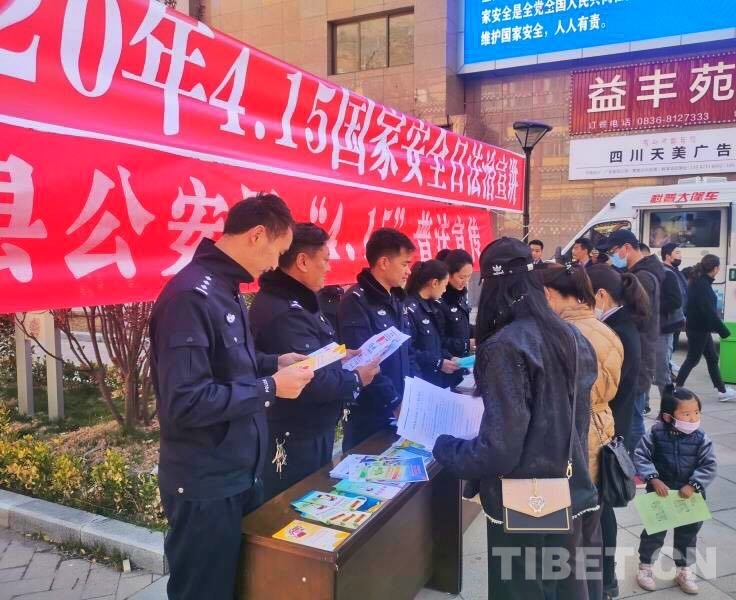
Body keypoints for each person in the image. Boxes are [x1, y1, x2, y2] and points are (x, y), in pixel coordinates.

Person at [149, 194, 315, 600]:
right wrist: (271, 387)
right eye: (277, 252)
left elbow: (231, 363)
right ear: (257, 235)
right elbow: (186, 401)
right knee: (204, 591)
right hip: (206, 484)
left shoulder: (226, 289)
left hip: (240, 474)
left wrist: (275, 362)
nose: (275, 264)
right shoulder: (191, 296)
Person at [433, 237, 599, 599]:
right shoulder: (571, 335)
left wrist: (444, 447)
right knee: (564, 588)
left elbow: (500, 449)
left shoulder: (504, 346)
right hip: (571, 491)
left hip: (526, 503)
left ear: (493, 287)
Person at [250, 223, 380, 500]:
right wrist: (357, 378)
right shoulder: (283, 310)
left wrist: (340, 354)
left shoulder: (301, 299)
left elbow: (313, 350)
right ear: (303, 261)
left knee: (314, 497)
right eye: (326, 260)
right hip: (294, 436)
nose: (329, 268)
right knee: (293, 505)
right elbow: (309, 378)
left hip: (314, 429)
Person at [540, 263, 624, 600]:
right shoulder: (605, 330)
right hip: (601, 432)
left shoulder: (564, 335)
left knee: (567, 543)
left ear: (550, 294)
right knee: (590, 533)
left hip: (577, 437)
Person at [588, 264, 650, 597]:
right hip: (614, 426)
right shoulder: (620, 324)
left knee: (602, 510)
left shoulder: (616, 331)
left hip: (610, 430)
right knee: (601, 508)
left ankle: (607, 579)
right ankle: (604, 578)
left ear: (600, 295)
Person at [338, 228, 417, 451]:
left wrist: (416, 395)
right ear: (383, 262)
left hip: (400, 407)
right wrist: (394, 402)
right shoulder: (355, 302)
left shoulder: (396, 299)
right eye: (404, 264)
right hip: (371, 413)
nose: (408, 271)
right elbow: (364, 361)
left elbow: (408, 351)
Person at [634, 386, 717, 595]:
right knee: (654, 532)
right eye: (686, 414)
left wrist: (694, 484)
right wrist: (653, 478)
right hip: (660, 493)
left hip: (689, 497)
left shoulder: (701, 437)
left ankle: (684, 571)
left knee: (687, 535)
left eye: (696, 412)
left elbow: (709, 465)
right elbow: (641, 455)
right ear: (668, 416)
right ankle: (645, 567)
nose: (693, 418)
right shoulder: (655, 433)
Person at [600, 229, 665, 454]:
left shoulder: (642, 278)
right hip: (640, 352)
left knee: (634, 419)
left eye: (613, 251)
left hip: (639, 354)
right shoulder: (641, 273)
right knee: (633, 414)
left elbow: (638, 318)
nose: (612, 256)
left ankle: (635, 464)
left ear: (626, 248)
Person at [675, 254, 735, 400]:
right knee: (693, 359)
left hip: (700, 328)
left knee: (712, 358)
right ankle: (676, 389)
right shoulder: (702, 284)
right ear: (715, 269)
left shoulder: (700, 281)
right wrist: (724, 331)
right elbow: (709, 312)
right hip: (698, 329)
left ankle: (722, 391)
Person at [406, 259, 463, 388]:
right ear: (435, 283)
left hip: (436, 380)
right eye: (444, 285)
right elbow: (409, 350)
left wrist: (449, 357)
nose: (445, 290)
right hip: (420, 380)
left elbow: (437, 343)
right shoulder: (409, 309)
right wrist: (438, 363)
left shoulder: (434, 308)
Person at [437, 249, 475, 358]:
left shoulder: (461, 295)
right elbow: (437, 339)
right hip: (448, 361)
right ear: (449, 274)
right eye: (461, 277)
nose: (466, 281)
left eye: (469, 276)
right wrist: (466, 344)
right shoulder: (439, 298)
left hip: (463, 359)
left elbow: (462, 327)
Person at [659, 243, 685, 384]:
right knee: (665, 355)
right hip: (669, 321)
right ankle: (668, 387)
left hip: (676, 320)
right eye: (677, 253)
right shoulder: (666, 273)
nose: (680, 256)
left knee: (669, 351)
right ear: (668, 256)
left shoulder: (675, 271)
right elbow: (672, 300)